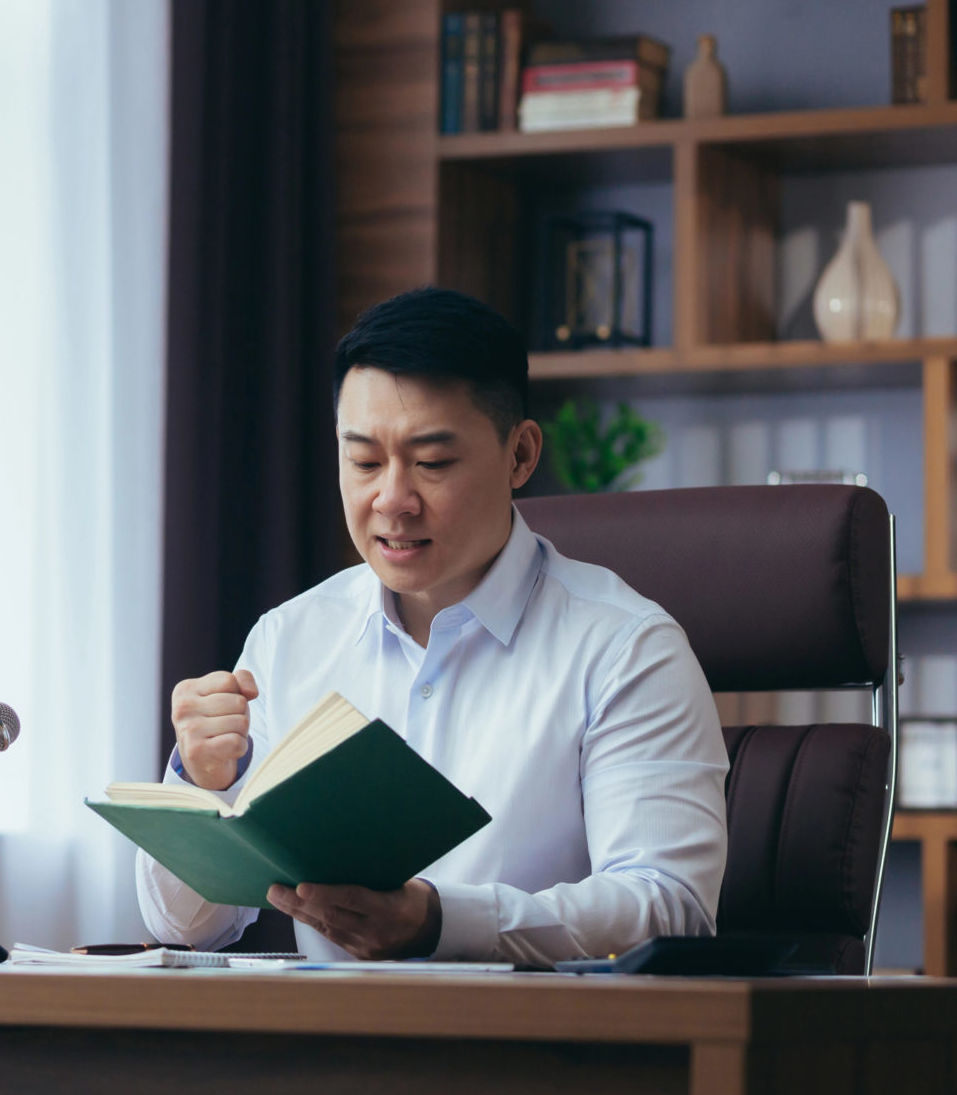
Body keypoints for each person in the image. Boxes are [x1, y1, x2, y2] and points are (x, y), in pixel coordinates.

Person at [138, 287, 729, 967]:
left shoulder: (625, 649)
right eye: (362, 461)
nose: (391, 499)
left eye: (433, 463)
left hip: (540, 1058)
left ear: (521, 456)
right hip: (329, 1056)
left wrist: (442, 924)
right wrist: (203, 782)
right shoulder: (290, 641)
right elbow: (187, 930)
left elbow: (668, 907)